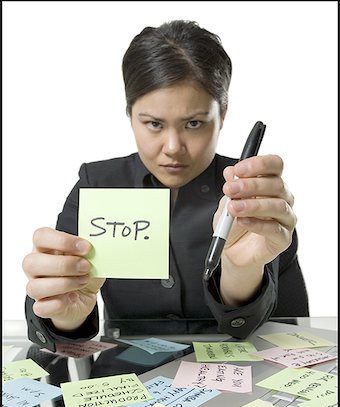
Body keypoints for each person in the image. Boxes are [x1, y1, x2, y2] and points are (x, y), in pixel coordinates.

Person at [23, 20, 308, 352]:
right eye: (154, 124)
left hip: (241, 375)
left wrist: (240, 271)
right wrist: (66, 315)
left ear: (223, 114)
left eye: (194, 123)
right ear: (130, 114)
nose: (173, 146)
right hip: (127, 381)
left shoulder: (253, 194)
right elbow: (55, 319)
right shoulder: (96, 185)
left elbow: (284, 328)